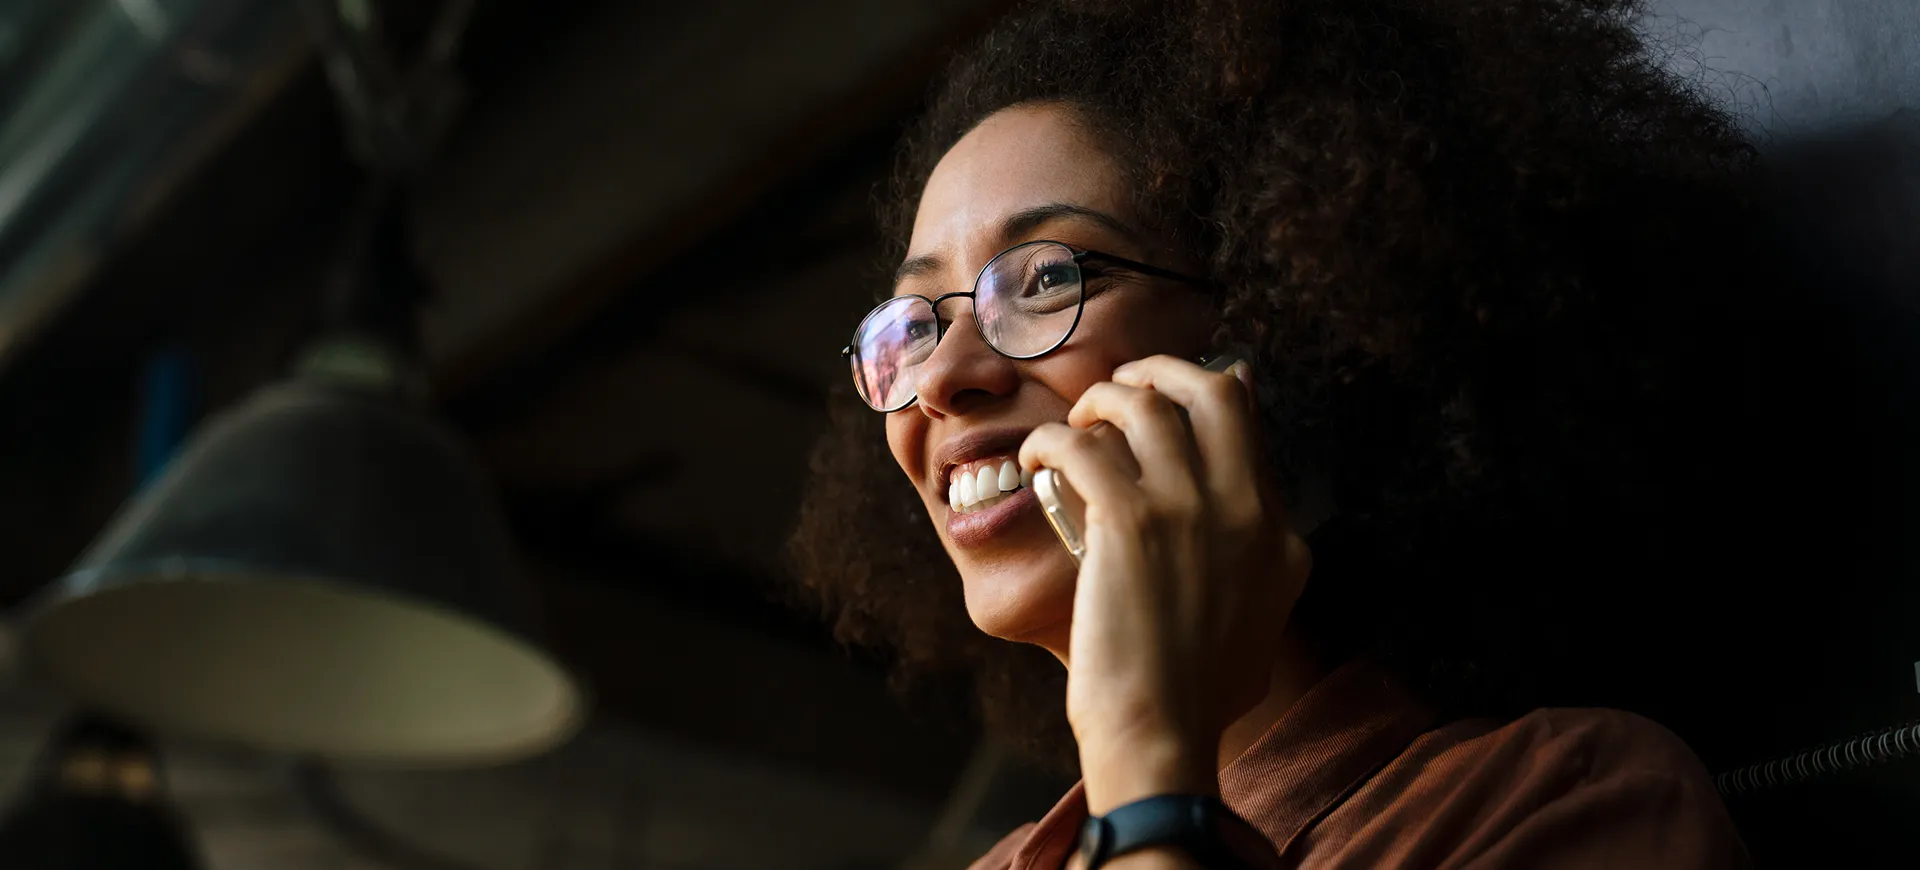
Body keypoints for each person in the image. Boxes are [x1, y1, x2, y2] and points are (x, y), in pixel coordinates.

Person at [785, 0, 1856, 866]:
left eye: (1046, 277)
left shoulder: (1560, 807)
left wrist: (1151, 751)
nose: (941, 379)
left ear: (1281, 335)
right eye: (913, 320)